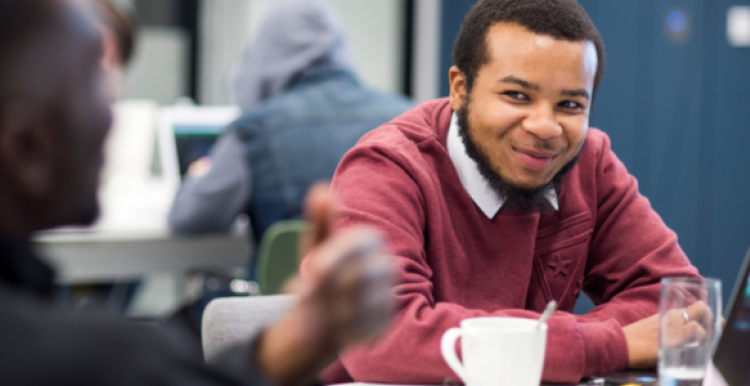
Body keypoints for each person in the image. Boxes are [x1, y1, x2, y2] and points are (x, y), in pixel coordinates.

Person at [306, 0, 702, 384]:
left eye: (569, 104)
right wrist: (604, 344)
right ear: (460, 88)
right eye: (517, 96)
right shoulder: (386, 168)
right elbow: (382, 338)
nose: (545, 126)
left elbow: (682, 305)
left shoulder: (588, 162)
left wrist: (556, 346)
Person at [0, 0, 393, 385]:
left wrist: (300, 336)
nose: (111, 110)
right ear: (24, 144)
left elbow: (188, 217)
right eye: (93, 78)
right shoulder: (110, 362)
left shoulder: (254, 130)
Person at [168, 0, 413, 279]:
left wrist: (197, 174)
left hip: (284, 312)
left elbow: (189, 218)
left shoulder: (255, 129)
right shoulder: (406, 117)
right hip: (392, 308)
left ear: (263, 55)